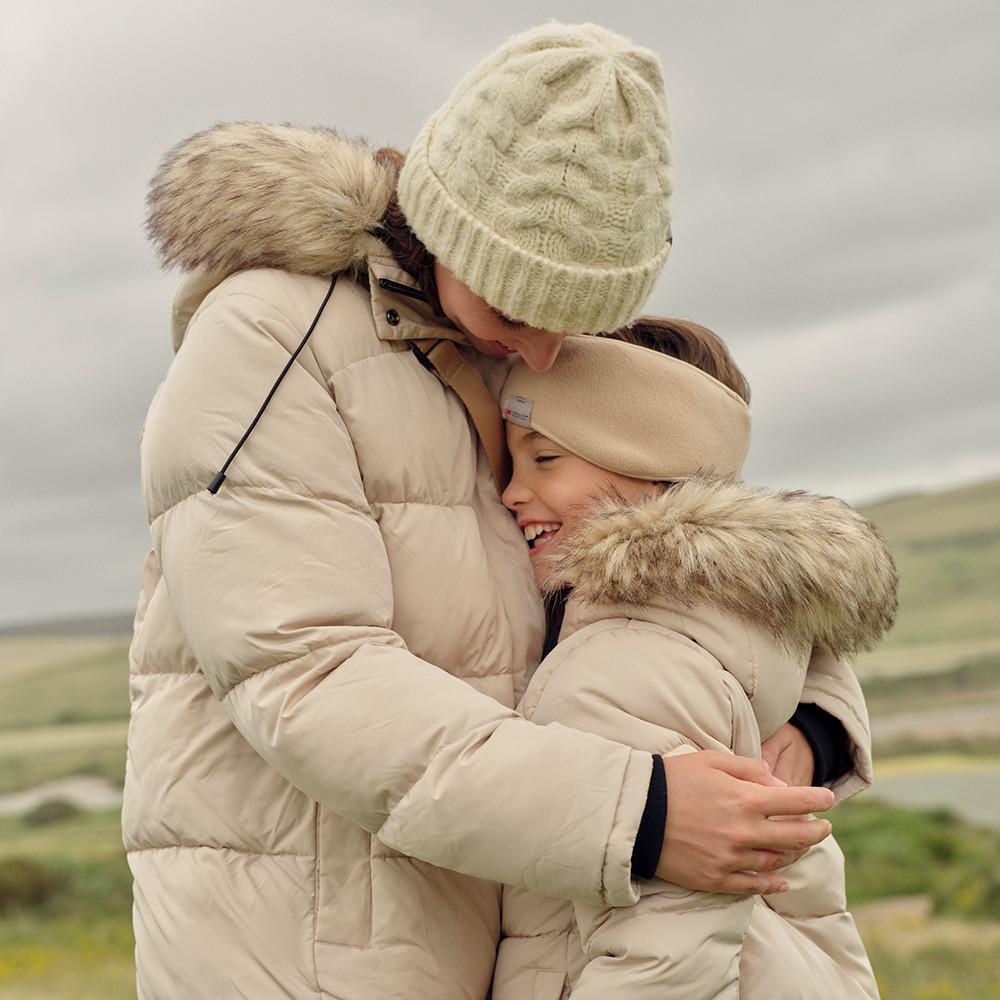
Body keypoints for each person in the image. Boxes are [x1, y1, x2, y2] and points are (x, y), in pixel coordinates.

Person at [126, 22, 855, 1000]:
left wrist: (808, 720)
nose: (549, 354)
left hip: (507, 913)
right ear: (447, 228)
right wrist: (637, 814)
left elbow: (686, 529)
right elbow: (303, 669)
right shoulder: (270, 339)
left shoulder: (520, 333)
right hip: (308, 942)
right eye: (520, 312)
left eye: (579, 318)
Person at [492, 323, 894, 999]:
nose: (511, 492)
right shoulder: (727, 610)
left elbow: (664, 957)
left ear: (650, 457)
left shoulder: (616, 662)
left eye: (545, 459)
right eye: (509, 463)